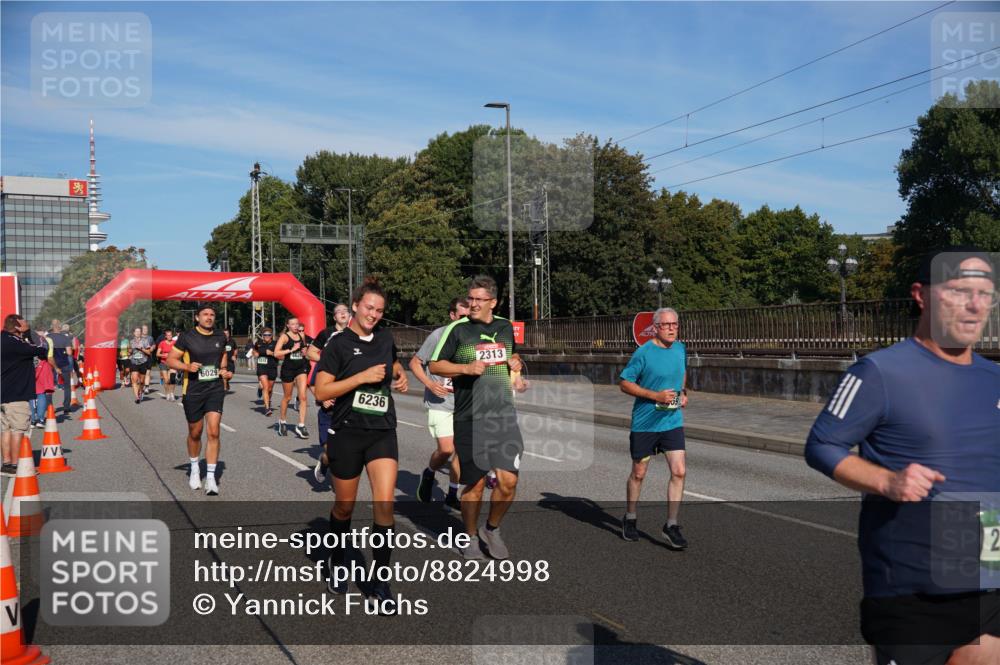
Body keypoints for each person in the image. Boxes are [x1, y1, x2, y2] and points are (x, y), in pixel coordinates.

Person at [805, 247, 1000, 665]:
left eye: (985, 293)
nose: (974, 305)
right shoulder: (878, 373)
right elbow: (821, 444)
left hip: (986, 575)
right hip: (910, 584)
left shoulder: (994, 378)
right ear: (921, 295)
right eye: (959, 291)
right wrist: (887, 481)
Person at [313, 277, 408, 609]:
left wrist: (399, 373)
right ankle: (338, 560)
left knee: (385, 506)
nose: (374, 314)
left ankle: (380, 581)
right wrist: (359, 379)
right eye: (369, 307)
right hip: (347, 433)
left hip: (382, 430)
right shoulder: (337, 345)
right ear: (355, 306)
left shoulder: (384, 337)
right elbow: (321, 391)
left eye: (380, 310)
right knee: (344, 507)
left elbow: (391, 361)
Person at [429, 275, 528, 560]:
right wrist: (465, 368)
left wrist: (516, 367)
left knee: (508, 481)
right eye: (470, 299)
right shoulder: (458, 330)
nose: (472, 304)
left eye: (478, 300)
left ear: (492, 303)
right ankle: (470, 536)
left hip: (504, 415)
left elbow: (513, 358)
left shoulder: (505, 327)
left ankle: (492, 528)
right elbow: (435, 364)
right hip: (470, 416)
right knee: (475, 485)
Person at [618, 307, 689, 549]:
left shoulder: (681, 349)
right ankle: (630, 517)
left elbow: (682, 374)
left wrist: (683, 394)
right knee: (639, 473)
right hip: (645, 422)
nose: (671, 329)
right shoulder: (643, 353)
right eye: (667, 325)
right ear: (656, 328)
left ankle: (671, 524)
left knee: (679, 471)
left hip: (672, 421)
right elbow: (625, 383)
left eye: (675, 325)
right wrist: (655, 396)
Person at [166, 305, 233, 496]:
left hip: (215, 389)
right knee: (195, 432)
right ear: (197, 318)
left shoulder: (221, 336)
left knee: (213, 431)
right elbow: (170, 360)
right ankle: (195, 468)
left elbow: (223, 361)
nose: (209, 317)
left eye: (212, 315)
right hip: (193, 390)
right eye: (205, 314)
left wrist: (226, 372)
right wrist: (186, 366)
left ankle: (211, 478)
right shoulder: (187, 337)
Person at [412, 296, 470, 509]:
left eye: (469, 316)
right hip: (440, 402)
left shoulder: (473, 338)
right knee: (446, 449)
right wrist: (429, 383)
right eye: (462, 316)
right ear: (452, 315)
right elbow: (415, 363)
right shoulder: (438, 336)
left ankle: (452, 494)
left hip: (463, 402)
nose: (466, 320)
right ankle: (429, 473)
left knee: (461, 450)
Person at [306, 303, 351, 483]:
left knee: (347, 452)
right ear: (334, 317)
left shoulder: (356, 335)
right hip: (329, 410)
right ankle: (325, 463)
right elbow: (310, 355)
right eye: (338, 312)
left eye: (345, 311)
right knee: (331, 453)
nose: (342, 314)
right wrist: (330, 360)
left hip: (348, 409)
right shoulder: (327, 334)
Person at [1, 314, 48, 476]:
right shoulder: (16, 343)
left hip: (3, 392)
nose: (27, 325)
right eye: (25, 324)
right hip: (17, 393)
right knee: (18, 429)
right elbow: (42, 350)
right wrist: (28, 333)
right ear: (17, 326)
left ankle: (7, 464)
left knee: (5, 429)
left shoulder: (3, 340)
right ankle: (15, 465)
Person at [275, 317, 310, 439]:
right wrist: (291, 350)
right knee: (287, 397)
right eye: (293, 324)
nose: (296, 326)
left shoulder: (302, 335)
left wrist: (304, 351)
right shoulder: (284, 337)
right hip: (288, 369)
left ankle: (301, 425)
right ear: (288, 326)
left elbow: (304, 349)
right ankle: (282, 421)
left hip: (301, 368)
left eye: (297, 324)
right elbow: (276, 353)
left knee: (303, 397)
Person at [48, 319, 75, 417]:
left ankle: (50, 407)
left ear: (52, 326)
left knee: (49, 387)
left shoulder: (47, 337)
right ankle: (66, 408)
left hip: (50, 364)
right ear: (60, 327)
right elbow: (69, 353)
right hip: (64, 364)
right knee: (67, 386)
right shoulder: (65, 338)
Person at [33, 331, 57, 428]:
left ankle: (33, 419)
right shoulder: (47, 341)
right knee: (41, 393)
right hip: (42, 365)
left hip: (28, 367)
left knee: (31, 394)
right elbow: (49, 356)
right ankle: (41, 419)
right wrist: (55, 368)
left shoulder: (24, 340)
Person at [253, 329, 278, 417]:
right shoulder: (258, 343)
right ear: (262, 335)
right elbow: (254, 351)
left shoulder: (276, 344)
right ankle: (267, 408)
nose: (267, 336)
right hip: (261, 367)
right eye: (265, 335)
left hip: (272, 367)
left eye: (268, 335)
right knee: (266, 387)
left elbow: (281, 355)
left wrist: (272, 353)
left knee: (270, 389)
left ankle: (267, 399)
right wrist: (256, 353)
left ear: (271, 335)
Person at [128, 327, 153, 404]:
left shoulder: (145, 341)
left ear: (141, 333)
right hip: (134, 362)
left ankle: (140, 392)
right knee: (134, 380)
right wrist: (130, 351)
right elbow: (129, 352)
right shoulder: (131, 342)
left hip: (143, 362)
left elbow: (149, 352)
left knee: (142, 382)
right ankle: (137, 397)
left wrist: (142, 349)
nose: (138, 333)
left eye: (139, 331)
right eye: (136, 331)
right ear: (134, 333)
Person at [156, 330, 178, 401]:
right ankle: (167, 393)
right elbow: (157, 354)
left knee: (172, 379)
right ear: (165, 336)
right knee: (166, 380)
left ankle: (172, 393)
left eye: (170, 335)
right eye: (168, 335)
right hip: (163, 363)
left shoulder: (175, 343)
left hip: (172, 363)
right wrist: (164, 355)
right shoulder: (162, 343)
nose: (169, 336)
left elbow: (179, 352)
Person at [141, 324, 155, 395]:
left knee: (148, 373)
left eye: (146, 329)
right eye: (144, 329)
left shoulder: (150, 338)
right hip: (140, 358)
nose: (145, 330)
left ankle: (146, 387)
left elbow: (154, 344)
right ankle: (142, 385)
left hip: (148, 357)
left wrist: (153, 347)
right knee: (141, 374)